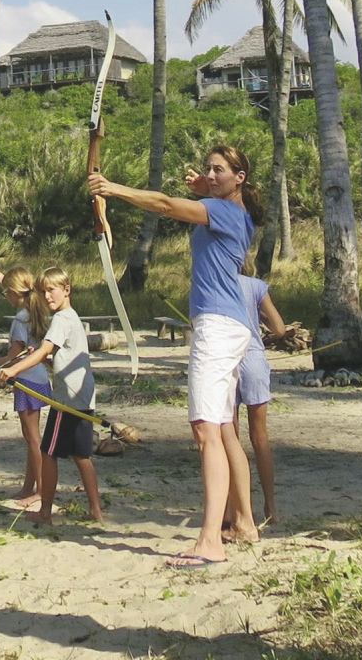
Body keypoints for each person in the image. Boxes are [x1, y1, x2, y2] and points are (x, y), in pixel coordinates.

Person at [89, 145, 262, 566]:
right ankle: (243, 523)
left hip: (218, 326)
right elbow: (198, 207)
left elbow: (166, 205)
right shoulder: (236, 213)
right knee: (223, 429)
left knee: (205, 430)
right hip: (231, 325)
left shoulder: (224, 211)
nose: (210, 174)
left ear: (239, 178)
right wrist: (207, 189)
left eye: (219, 170)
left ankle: (210, 542)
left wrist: (112, 189)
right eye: (208, 168)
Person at [0, 267, 104, 525]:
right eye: (43, 291)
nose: (46, 296)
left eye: (51, 290)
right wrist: (44, 360)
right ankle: (95, 511)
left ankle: (45, 512)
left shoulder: (62, 319)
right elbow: (58, 356)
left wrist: (12, 369)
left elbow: (44, 350)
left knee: (47, 452)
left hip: (67, 401)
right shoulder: (72, 317)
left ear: (67, 290)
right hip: (83, 397)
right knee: (81, 456)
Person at [0, 245, 52, 505]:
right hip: (37, 378)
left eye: (6, 293)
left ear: (13, 293)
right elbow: (9, 284)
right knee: (30, 438)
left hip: (29, 380)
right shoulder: (32, 305)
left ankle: (42, 491)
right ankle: (28, 487)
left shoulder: (21, 319)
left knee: (33, 439)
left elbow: (14, 357)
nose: (5, 295)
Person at [227, 271, 289, 534]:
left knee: (229, 438)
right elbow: (280, 329)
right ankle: (270, 506)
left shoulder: (219, 281)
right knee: (260, 437)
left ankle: (236, 508)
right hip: (253, 359)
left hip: (227, 359)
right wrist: (260, 318)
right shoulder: (256, 286)